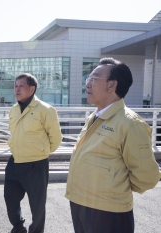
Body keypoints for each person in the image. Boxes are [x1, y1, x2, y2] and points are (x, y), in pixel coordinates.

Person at [65, 58, 161, 233]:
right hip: (81, 205)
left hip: (108, 213)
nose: (87, 84)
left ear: (111, 86)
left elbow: (147, 177)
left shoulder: (130, 124)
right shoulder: (94, 117)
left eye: (94, 79)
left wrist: (115, 191)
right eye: (88, 79)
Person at [4, 73, 62, 233]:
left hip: (36, 164)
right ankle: (18, 226)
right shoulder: (14, 110)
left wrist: (41, 152)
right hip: (14, 161)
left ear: (32, 89)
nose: (17, 89)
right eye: (15, 86)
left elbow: (56, 138)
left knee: (37, 205)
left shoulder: (46, 110)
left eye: (21, 86)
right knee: (10, 199)